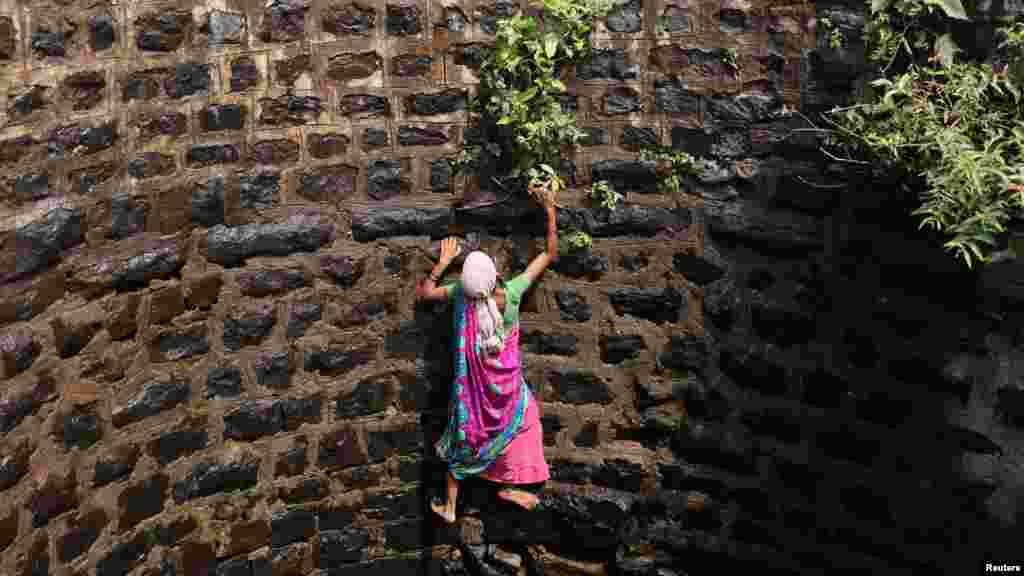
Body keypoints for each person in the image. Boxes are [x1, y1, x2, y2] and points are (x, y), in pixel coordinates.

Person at [415, 195, 558, 524]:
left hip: (473, 396)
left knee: (463, 434)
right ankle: (509, 485)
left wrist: (444, 261)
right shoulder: (512, 294)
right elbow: (549, 253)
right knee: (524, 422)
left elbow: (425, 294)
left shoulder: (459, 296)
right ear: (494, 276)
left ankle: (451, 506)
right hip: (507, 390)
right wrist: (550, 210)